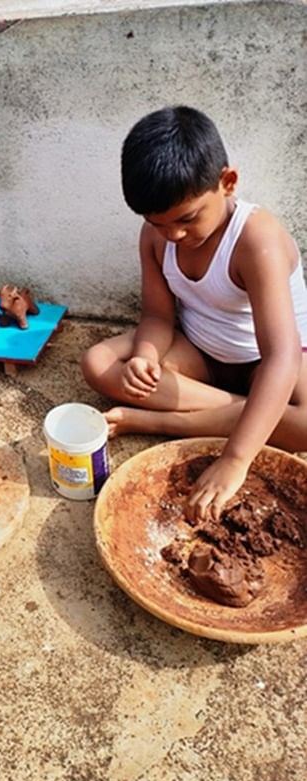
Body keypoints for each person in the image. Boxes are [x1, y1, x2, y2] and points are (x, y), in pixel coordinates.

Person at [81, 106, 307, 521]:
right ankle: (246, 409)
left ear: (228, 182)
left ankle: (160, 422)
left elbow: (283, 357)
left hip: (268, 363)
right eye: (158, 222)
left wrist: (236, 459)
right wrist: (147, 356)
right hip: (201, 355)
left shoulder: (257, 241)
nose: (175, 236)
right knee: (97, 363)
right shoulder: (156, 236)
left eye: (187, 219)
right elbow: (157, 317)